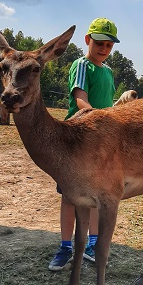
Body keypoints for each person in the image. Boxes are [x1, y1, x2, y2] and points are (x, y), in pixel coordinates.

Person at [48, 17, 120, 271]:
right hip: (77, 137)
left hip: (100, 140)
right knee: (70, 196)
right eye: (99, 43)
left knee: (97, 195)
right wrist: (97, 117)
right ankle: (65, 246)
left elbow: (108, 104)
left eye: (109, 45)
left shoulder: (108, 72)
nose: (104, 49)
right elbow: (81, 99)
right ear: (88, 40)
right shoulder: (82, 65)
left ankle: (92, 243)